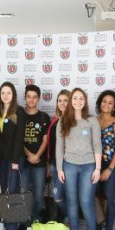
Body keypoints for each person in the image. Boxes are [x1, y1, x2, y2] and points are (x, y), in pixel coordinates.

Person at [56, 87, 102, 230]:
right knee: (72, 201)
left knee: (86, 200)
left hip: (88, 166)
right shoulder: (63, 121)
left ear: (85, 101)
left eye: (81, 98)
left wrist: (97, 168)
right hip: (69, 166)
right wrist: (59, 169)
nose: (78, 101)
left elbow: (97, 145)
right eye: (75, 98)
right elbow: (59, 147)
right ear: (70, 101)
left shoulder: (92, 121)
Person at [0, 82, 27, 230]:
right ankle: (8, 225)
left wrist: (15, 161)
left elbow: (19, 137)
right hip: (1, 160)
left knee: (13, 193)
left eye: (9, 93)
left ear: (13, 95)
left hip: (14, 160)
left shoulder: (19, 111)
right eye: (3, 93)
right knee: (5, 193)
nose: (6, 95)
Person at [94, 90, 115, 230]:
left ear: (114, 107)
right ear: (100, 103)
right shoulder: (92, 121)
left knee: (110, 199)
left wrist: (109, 169)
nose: (106, 104)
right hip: (93, 166)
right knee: (95, 197)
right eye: (104, 101)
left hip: (110, 166)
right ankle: (97, 228)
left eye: (110, 102)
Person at [21, 84, 51, 225]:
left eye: (34, 97)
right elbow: (17, 139)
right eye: (28, 97)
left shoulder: (44, 116)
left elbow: (45, 140)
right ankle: (24, 223)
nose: (31, 100)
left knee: (39, 195)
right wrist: (29, 155)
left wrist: (36, 155)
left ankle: (37, 223)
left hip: (39, 163)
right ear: (25, 98)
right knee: (24, 193)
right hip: (23, 162)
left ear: (38, 99)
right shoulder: (19, 115)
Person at [47, 90, 70, 222]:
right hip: (54, 164)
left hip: (68, 165)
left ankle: (70, 219)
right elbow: (51, 144)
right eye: (60, 100)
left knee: (65, 196)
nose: (62, 103)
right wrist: (48, 164)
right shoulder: (55, 119)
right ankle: (66, 221)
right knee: (58, 195)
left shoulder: (73, 120)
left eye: (65, 100)